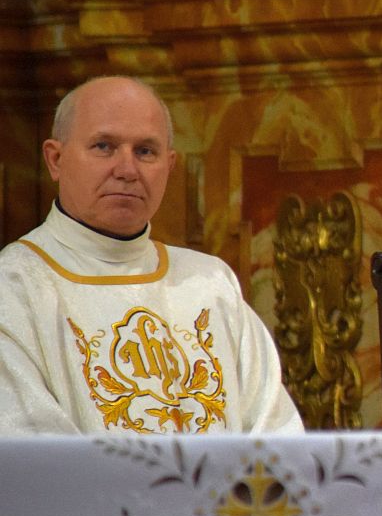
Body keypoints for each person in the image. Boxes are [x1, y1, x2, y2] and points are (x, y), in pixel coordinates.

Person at [0, 76, 303, 435]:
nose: (127, 170)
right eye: (104, 146)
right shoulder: (15, 288)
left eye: (145, 151)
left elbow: (276, 436)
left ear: (169, 166)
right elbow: (32, 452)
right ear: (55, 159)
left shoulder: (211, 284)